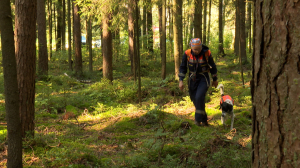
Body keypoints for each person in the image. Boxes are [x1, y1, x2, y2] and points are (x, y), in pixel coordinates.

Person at [178, 38, 218, 126]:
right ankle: (204, 121)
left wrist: (215, 79)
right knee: (194, 99)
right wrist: (181, 80)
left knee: (199, 96)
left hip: (204, 77)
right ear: (191, 47)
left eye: (199, 49)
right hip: (192, 78)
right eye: (195, 49)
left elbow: (213, 66)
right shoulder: (187, 53)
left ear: (201, 47)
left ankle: (197, 120)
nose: (197, 51)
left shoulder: (207, 53)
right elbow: (183, 67)